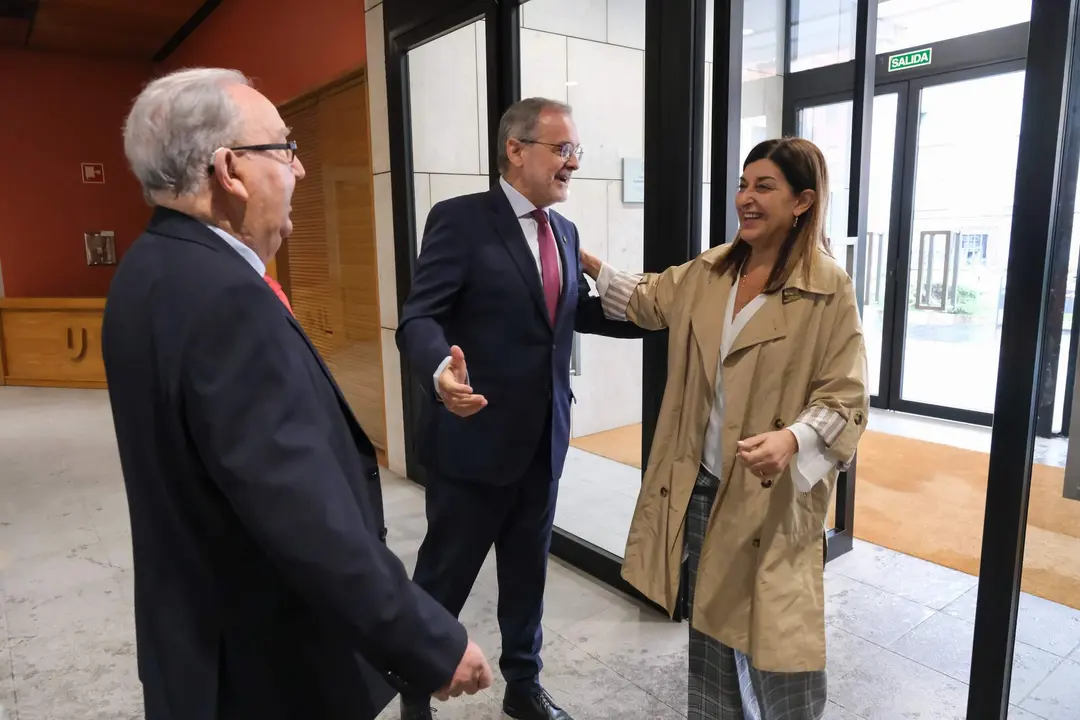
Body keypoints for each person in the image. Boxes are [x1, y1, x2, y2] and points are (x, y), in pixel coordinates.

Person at [102, 67, 492, 720]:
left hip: (197, 649)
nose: (299, 170)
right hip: (266, 669)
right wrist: (428, 639)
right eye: (284, 149)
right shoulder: (225, 299)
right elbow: (301, 512)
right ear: (229, 170)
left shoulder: (147, 272)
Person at [581, 137, 869, 720]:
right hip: (704, 483)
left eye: (764, 187)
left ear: (803, 202)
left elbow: (847, 393)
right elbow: (646, 299)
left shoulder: (827, 288)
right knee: (711, 635)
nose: (746, 198)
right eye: (743, 184)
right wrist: (582, 261)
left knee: (778, 640)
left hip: (774, 497)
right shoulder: (712, 271)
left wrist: (794, 439)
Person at [395, 97, 646, 720]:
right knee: (442, 578)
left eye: (575, 152)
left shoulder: (564, 232)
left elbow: (569, 315)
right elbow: (419, 314)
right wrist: (438, 372)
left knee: (527, 576)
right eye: (562, 150)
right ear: (516, 149)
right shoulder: (460, 220)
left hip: (542, 441)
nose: (573, 164)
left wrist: (654, 312)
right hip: (472, 438)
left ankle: (523, 685)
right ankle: (413, 690)